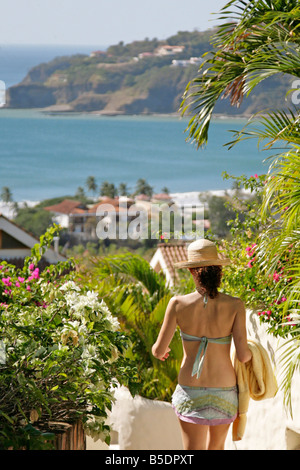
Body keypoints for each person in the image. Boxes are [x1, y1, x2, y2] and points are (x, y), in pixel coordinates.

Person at [152, 239, 252, 450]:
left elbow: (159, 350)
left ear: (191, 271)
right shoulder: (235, 305)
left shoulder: (177, 304)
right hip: (224, 389)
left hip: (191, 389)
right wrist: (255, 352)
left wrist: (162, 352)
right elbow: (243, 356)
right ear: (219, 272)